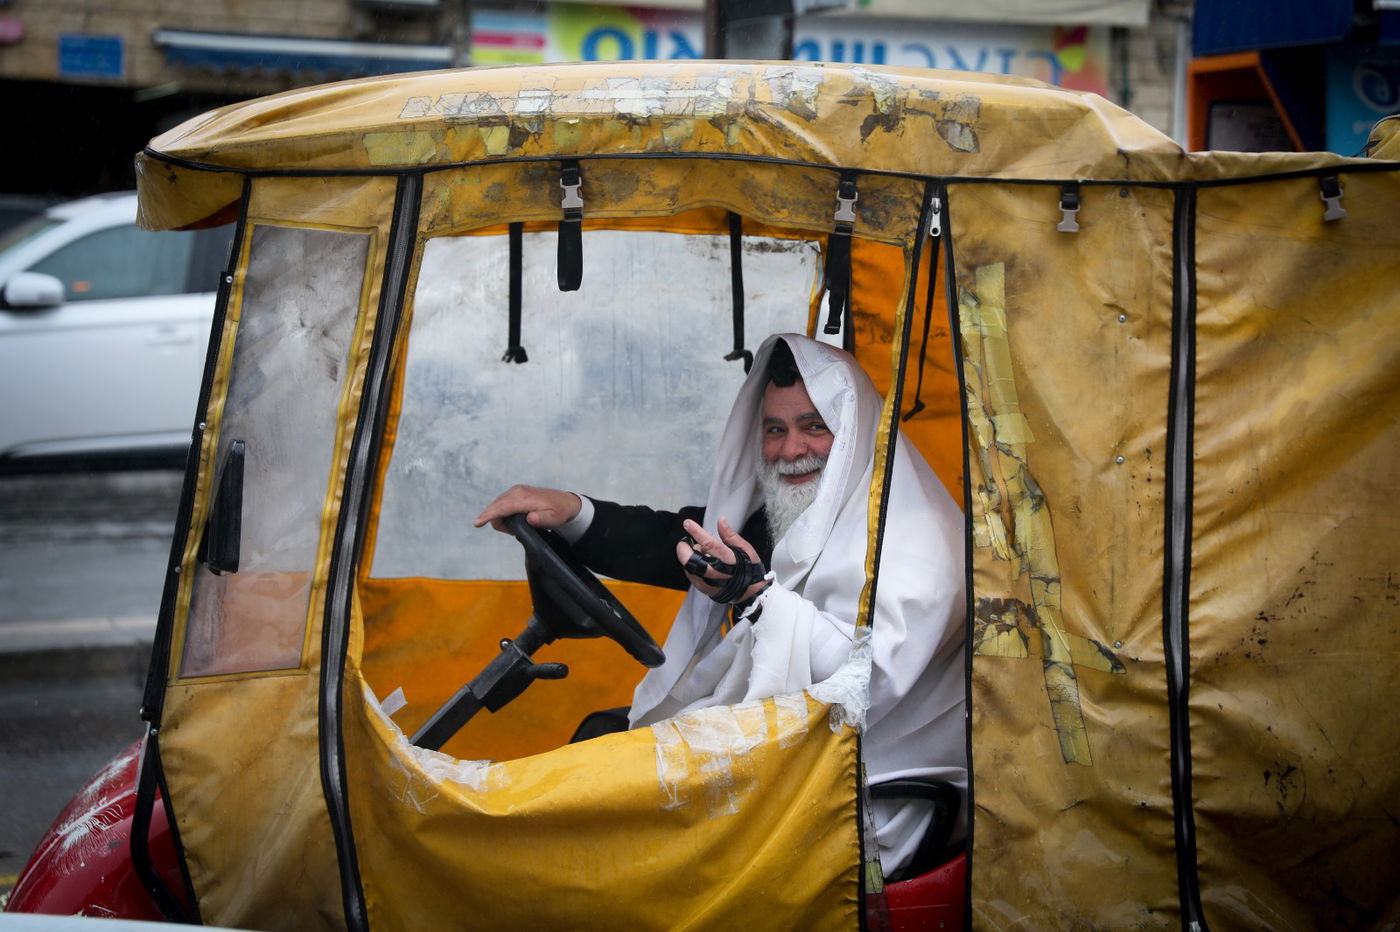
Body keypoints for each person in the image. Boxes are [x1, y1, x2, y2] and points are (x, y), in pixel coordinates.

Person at [475, 333, 966, 875]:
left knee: (606, 782)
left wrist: (754, 596)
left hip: (869, 800)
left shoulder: (921, 545)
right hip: (798, 759)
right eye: (775, 430)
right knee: (603, 744)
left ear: (854, 436)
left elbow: (861, 684)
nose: (790, 450)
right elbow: (683, 542)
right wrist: (572, 511)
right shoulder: (808, 508)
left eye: (814, 427)